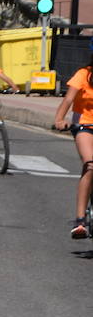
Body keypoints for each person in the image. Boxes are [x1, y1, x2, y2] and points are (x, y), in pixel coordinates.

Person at [51, 41, 93, 239]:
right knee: (91, 164)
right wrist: (59, 119)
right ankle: (80, 220)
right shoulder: (83, 74)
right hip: (85, 126)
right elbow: (68, 100)